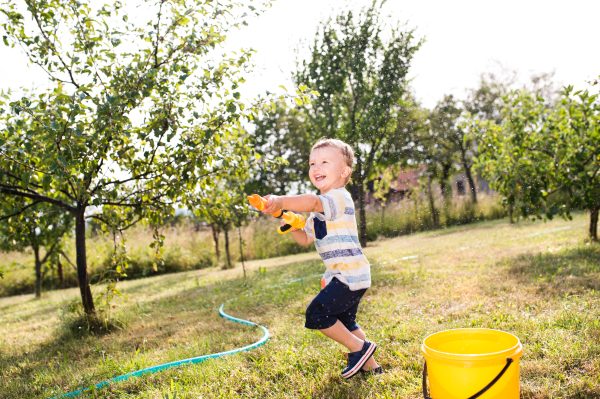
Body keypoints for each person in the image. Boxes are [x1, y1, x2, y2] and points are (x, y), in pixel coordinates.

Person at [260, 138, 382, 379]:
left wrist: (281, 200)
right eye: (312, 163)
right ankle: (373, 367)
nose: (316, 167)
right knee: (346, 322)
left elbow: (313, 201)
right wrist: (286, 218)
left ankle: (361, 349)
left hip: (349, 274)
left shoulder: (338, 197)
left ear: (344, 171)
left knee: (317, 314)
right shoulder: (319, 212)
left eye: (325, 162)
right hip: (349, 275)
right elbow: (305, 238)